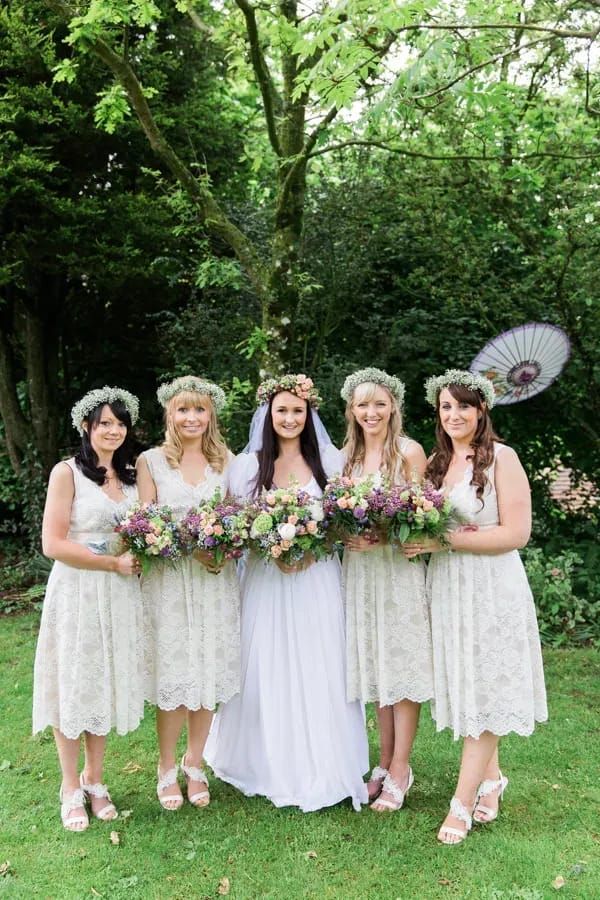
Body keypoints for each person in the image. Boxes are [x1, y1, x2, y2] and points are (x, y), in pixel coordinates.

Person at [204, 374, 369, 812]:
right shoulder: (247, 466)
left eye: (298, 411)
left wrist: (315, 548)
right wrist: (268, 547)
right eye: (282, 411)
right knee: (266, 664)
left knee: (321, 663)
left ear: (309, 414)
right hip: (266, 580)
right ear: (268, 415)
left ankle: (324, 759)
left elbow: (341, 520)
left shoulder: (330, 464)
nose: (290, 418)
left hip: (316, 579)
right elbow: (235, 524)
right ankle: (265, 761)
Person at [404, 369, 548, 844]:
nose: (454, 415)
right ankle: (492, 780)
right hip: (448, 589)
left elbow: (516, 533)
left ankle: (461, 804)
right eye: (446, 407)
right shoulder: (438, 467)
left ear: (481, 409)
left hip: (490, 587)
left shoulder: (502, 458)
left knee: (485, 688)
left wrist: (445, 540)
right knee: (469, 683)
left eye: (463, 406)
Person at [32, 387, 144, 832]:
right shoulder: (67, 473)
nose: (113, 430)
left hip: (118, 594)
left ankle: (96, 780)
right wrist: (110, 562)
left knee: (101, 683)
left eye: (119, 423)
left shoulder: (132, 476)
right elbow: (53, 543)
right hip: (79, 587)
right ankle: (68, 786)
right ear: (86, 426)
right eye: (104, 423)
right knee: (74, 682)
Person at [136, 375, 240, 811]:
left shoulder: (227, 461)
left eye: (199, 410)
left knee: (208, 672)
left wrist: (224, 545)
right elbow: (144, 525)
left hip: (214, 581)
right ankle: (165, 769)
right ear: (169, 415)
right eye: (183, 410)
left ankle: (195, 763)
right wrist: (182, 544)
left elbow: (237, 519)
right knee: (175, 677)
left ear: (211, 414)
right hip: (170, 583)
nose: (191, 418)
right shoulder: (151, 461)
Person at [340, 368, 434, 812]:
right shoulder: (347, 457)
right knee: (374, 666)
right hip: (360, 573)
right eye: (363, 404)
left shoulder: (409, 453)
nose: (371, 412)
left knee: (402, 664)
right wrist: (347, 536)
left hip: (397, 571)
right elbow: (334, 519)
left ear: (393, 405)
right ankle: (382, 761)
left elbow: (422, 516)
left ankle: (401, 767)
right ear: (351, 410)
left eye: (379, 403)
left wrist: (387, 532)